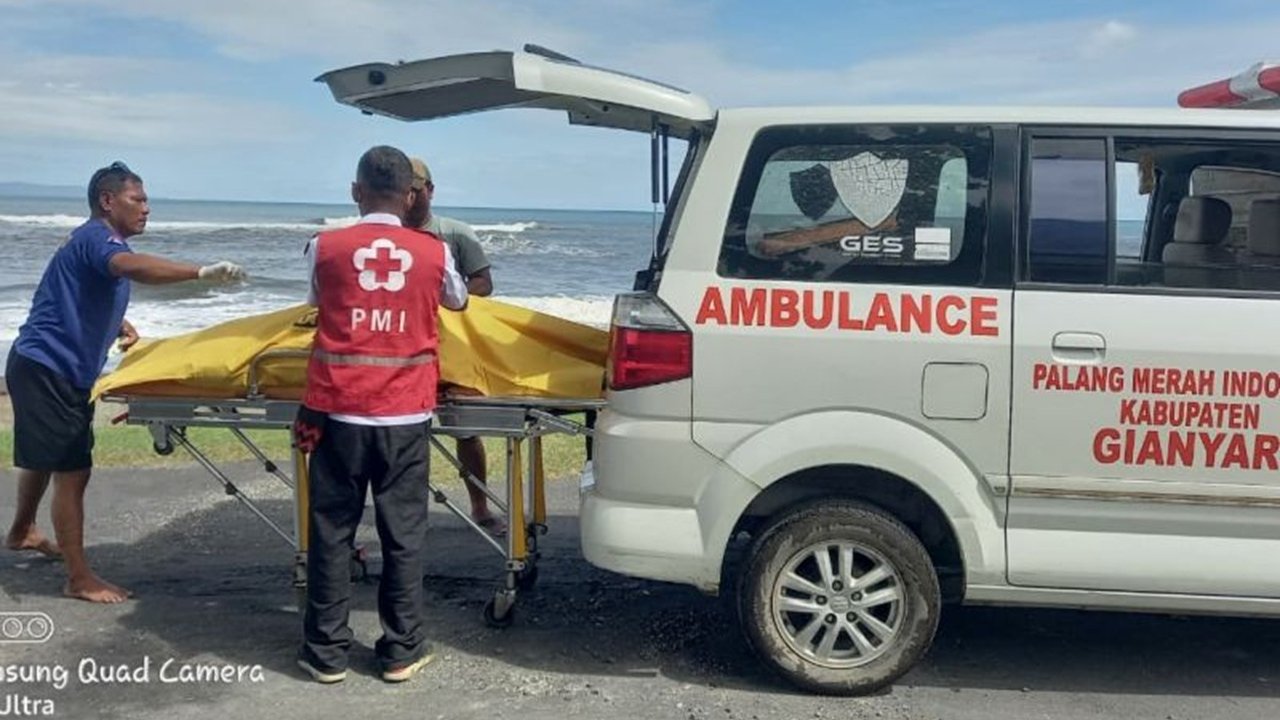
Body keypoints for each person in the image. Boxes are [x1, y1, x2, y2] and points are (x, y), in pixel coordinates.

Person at [5, 161, 245, 604]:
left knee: (44, 456)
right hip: (49, 368)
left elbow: (74, 291)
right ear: (107, 201)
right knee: (73, 470)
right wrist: (200, 273)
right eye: (138, 199)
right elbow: (132, 268)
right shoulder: (101, 240)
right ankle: (79, 578)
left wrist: (119, 323)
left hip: (42, 365)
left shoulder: (89, 239)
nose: (147, 208)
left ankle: (22, 531)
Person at [294, 146, 467, 684]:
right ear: (410, 196)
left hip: (336, 413)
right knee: (403, 535)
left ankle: (325, 654)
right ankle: (400, 650)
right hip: (404, 416)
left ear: (356, 190)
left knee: (331, 532)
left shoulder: (324, 246)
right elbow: (458, 301)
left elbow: (316, 300)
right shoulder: (434, 252)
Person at [404, 155, 505, 537]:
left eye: (416, 190)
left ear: (430, 190)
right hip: (405, 353)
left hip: (453, 352)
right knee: (404, 436)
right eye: (403, 190)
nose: (410, 198)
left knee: (465, 431)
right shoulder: (387, 237)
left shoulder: (456, 233)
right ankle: (407, 514)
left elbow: (484, 283)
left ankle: (480, 506)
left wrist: (441, 297)